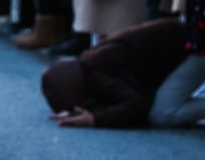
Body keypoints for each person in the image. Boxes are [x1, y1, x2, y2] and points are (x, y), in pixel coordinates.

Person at [42, 17, 204, 128]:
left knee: (162, 115)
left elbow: (137, 104)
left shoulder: (97, 74)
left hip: (194, 49)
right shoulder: (90, 62)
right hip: (188, 42)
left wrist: (96, 119)